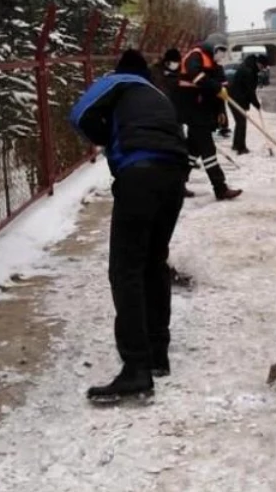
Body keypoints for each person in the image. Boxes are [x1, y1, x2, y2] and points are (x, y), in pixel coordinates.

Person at [70, 49, 190, 403]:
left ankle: (136, 369)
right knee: (154, 262)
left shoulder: (119, 81)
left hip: (139, 175)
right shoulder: (159, 94)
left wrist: (106, 136)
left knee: (126, 271)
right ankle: (157, 354)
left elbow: (78, 115)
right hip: (175, 177)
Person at [177, 32, 242, 201]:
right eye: (220, 49)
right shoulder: (195, 56)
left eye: (224, 50)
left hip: (206, 112)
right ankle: (220, 188)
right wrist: (216, 88)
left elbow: (221, 90)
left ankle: (177, 184)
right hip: (193, 110)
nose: (221, 54)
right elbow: (198, 77)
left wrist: (221, 112)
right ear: (212, 46)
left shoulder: (216, 64)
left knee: (193, 150)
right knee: (209, 152)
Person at [226, 52, 268, 155]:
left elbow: (249, 90)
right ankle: (241, 148)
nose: (262, 69)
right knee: (241, 123)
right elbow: (250, 91)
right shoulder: (248, 71)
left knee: (240, 122)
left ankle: (236, 145)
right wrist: (256, 104)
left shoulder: (249, 67)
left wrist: (254, 103)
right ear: (258, 63)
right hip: (236, 100)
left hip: (236, 98)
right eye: (262, 66)